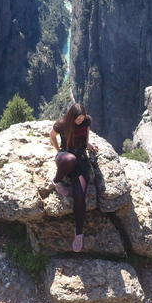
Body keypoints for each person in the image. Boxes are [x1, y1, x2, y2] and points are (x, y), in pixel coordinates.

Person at [49, 102, 98, 252]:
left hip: (81, 160)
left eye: (82, 118)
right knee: (70, 159)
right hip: (66, 156)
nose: (80, 121)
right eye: (78, 119)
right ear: (72, 116)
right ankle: (56, 181)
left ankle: (79, 234)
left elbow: (86, 132)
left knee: (80, 195)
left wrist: (87, 144)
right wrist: (58, 151)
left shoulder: (86, 121)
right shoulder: (62, 124)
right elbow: (52, 136)